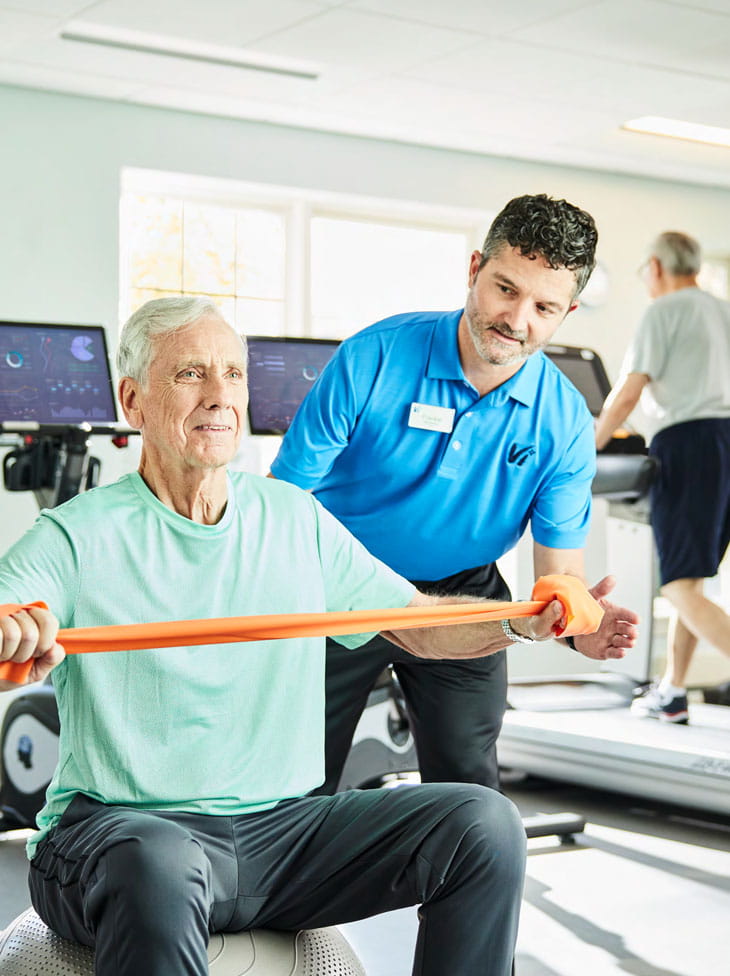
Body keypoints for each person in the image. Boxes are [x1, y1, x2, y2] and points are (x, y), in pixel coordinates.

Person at [0, 296, 633, 976]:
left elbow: (417, 626)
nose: (220, 396)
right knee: (160, 858)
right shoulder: (75, 535)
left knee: (483, 825)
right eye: (191, 374)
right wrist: (13, 631)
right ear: (134, 400)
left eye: (234, 375)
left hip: (280, 834)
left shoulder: (293, 519)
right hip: (119, 833)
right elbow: (6, 611)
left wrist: (526, 623)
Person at [271, 193, 639, 794]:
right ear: (474, 271)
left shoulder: (565, 420)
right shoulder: (376, 355)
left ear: (567, 312)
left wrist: (579, 622)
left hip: (465, 592)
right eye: (505, 289)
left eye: (544, 306)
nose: (518, 320)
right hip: (339, 582)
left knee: (470, 785)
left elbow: (558, 576)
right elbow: (281, 504)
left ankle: (460, 886)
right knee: (297, 780)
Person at [595, 230, 730, 724]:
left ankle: (673, 688)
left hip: (689, 443)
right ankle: (672, 691)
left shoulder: (664, 310)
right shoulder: (722, 309)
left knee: (677, 585)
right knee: (691, 579)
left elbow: (630, 392)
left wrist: (591, 444)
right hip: (726, 441)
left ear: (655, 267)